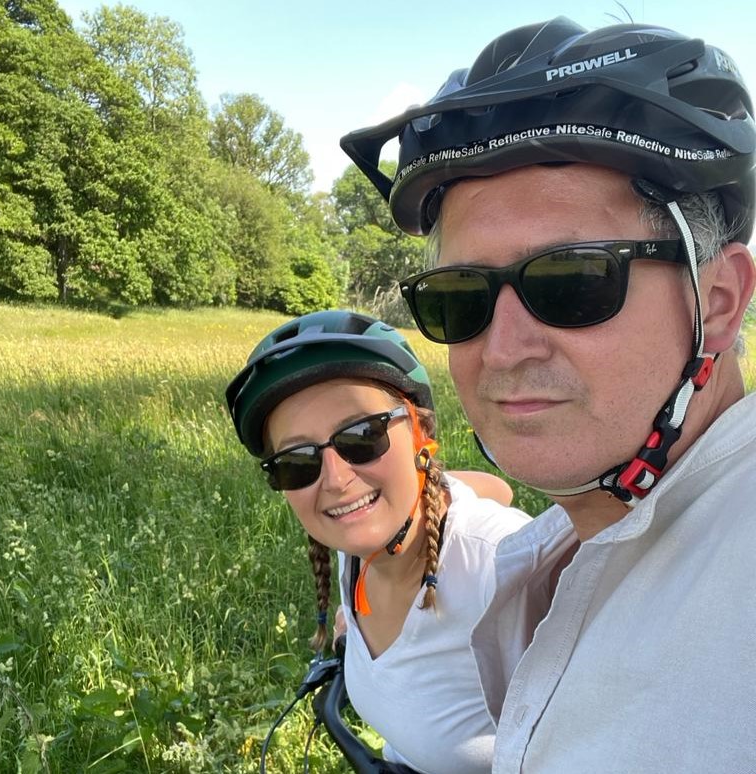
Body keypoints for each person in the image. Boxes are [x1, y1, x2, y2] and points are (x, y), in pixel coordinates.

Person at [341, 17, 756, 774]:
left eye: (572, 279)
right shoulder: (563, 547)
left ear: (719, 301)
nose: (502, 349)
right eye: (460, 295)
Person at [225, 310, 530, 774]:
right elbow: (490, 486)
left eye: (362, 436)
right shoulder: (363, 547)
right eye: (296, 461)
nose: (336, 480)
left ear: (422, 435)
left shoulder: (507, 573)